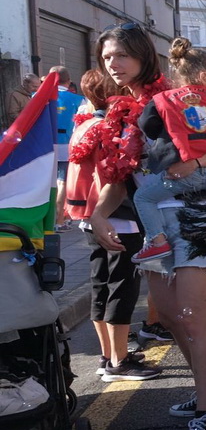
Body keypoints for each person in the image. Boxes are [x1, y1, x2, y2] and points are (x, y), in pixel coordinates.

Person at [89, 24, 206, 430]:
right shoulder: (118, 110)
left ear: (142, 55)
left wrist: (198, 163)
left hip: (194, 214)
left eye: (121, 55)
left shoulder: (176, 94)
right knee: (169, 315)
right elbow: (121, 175)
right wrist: (98, 213)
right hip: (153, 223)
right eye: (107, 57)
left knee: (191, 314)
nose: (113, 64)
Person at [66, 67, 159, 382]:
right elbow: (116, 176)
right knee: (122, 287)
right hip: (116, 216)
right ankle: (119, 361)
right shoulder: (111, 126)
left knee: (101, 285)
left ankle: (108, 355)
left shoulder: (84, 124)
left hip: (89, 215)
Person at [132, 40, 206, 264]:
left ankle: (157, 242)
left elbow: (147, 125)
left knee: (142, 198)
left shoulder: (162, 100)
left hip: (182, 175)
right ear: (204, 77)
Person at [52, 66, 85, 229]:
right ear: (69, 81)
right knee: (62, 182)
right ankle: (59, 220)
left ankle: (46, 222)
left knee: (47, 184)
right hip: (67, 145)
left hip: (43, 147)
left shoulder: (36, 97)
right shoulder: (79, 100)